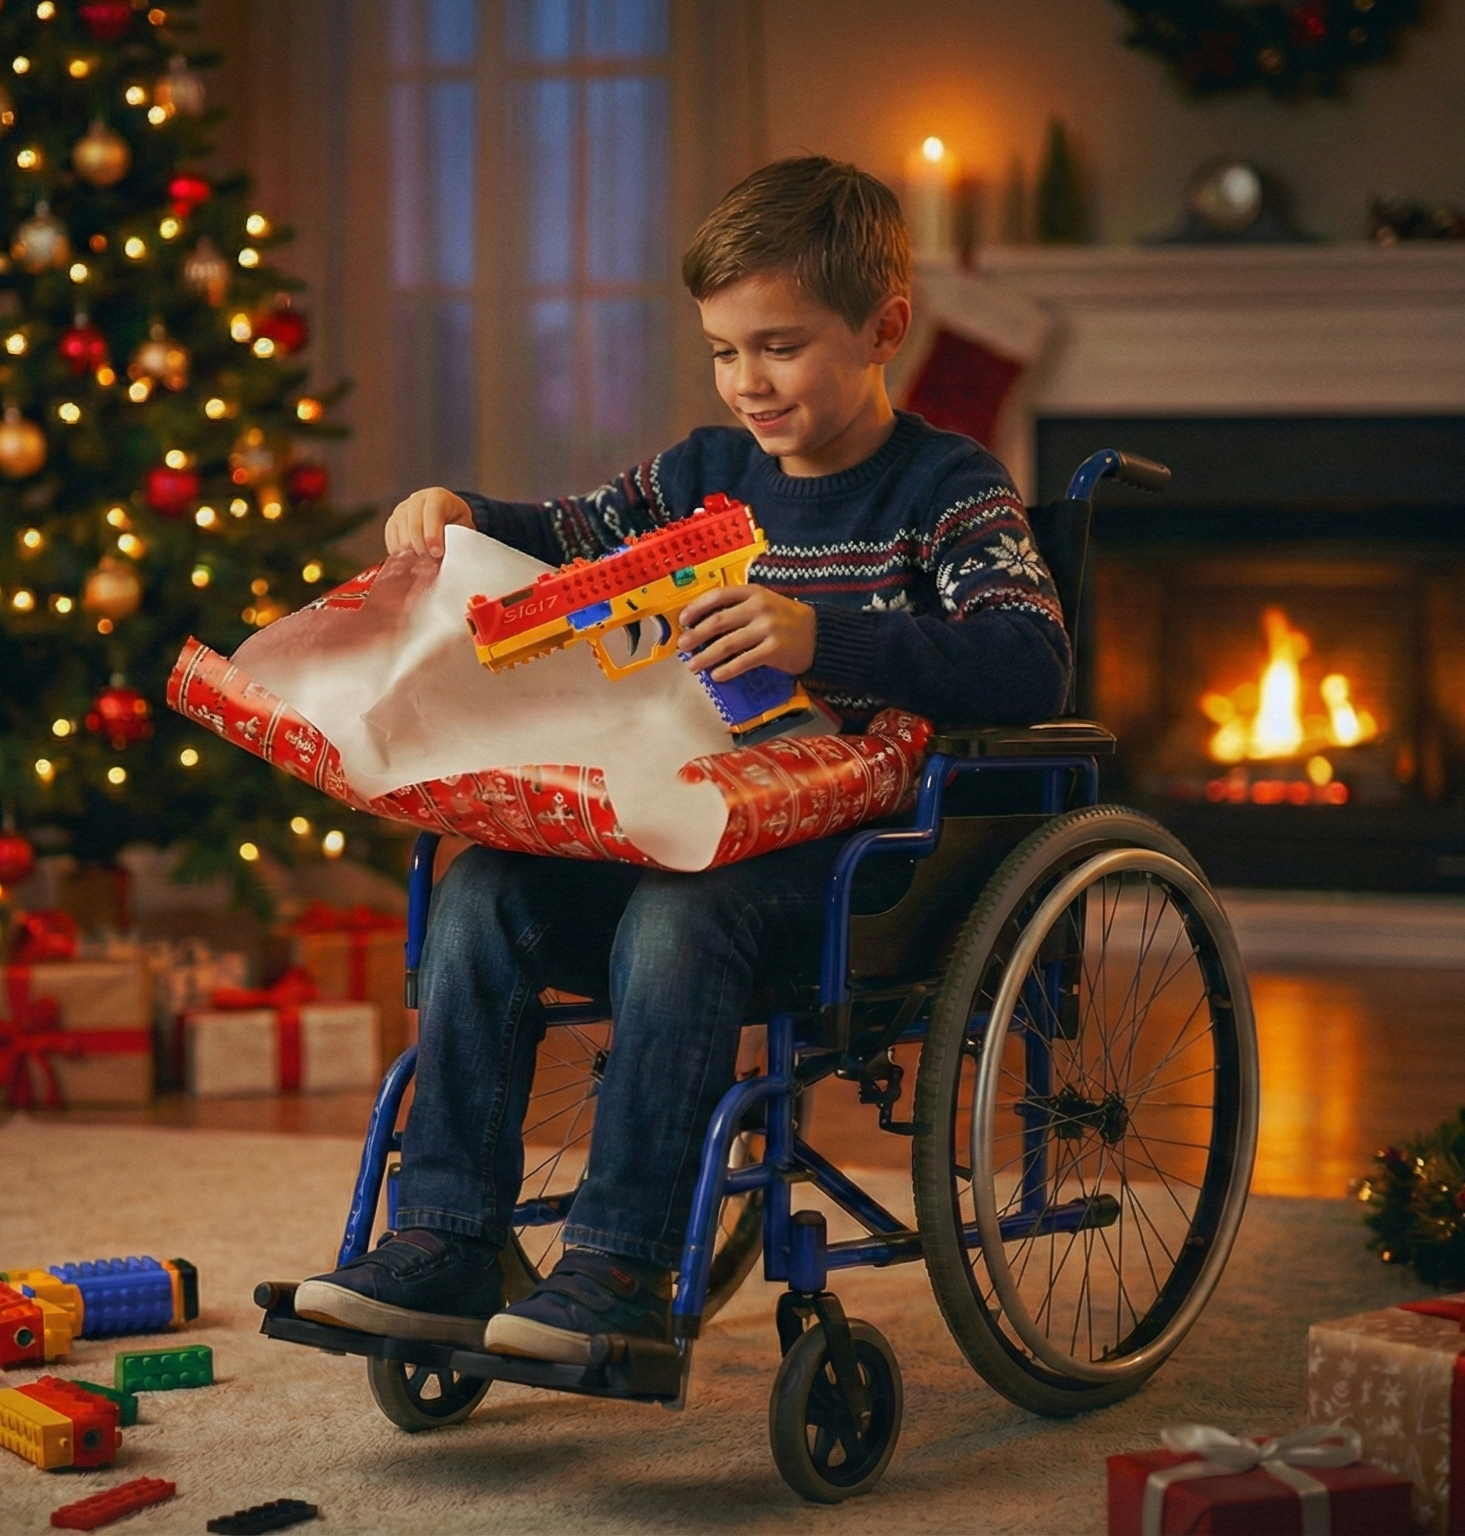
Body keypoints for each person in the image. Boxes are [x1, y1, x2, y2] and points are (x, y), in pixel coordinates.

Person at [293, 155, 1070, 1366]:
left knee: (677, 921)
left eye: (779, 347)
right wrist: (463, 513)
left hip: (853, 864)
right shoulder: (705, 476)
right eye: (722, 350)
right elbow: (564, 537)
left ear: (885, 331)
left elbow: (1029, 663)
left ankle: (618, 1269)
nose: (746, 382)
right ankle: (445, 1241)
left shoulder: (945, 488)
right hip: (675, 818)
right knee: (487, 890)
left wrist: (829, 637)